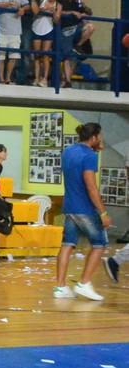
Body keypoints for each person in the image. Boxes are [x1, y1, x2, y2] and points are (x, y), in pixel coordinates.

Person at [54, 123, 110, 301]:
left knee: (67, 244)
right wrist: (103, 212)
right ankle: (84, 283)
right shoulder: (89, 156)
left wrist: (95, 151)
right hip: (84, 208)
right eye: (99, 136)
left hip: (69, 206)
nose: (101, 139)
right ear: (93, 137)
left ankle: (60, 287)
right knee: (100, 244)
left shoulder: (68, 151)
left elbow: (76, 171)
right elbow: (91, 186)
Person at [0, 0, 29, 84]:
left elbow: (27, 5)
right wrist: (10, 4)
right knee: (0, 56)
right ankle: (1, 78)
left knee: (14, 56)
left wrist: (23, 9)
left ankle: (8, 78)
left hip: (15, 31)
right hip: (2, 30)